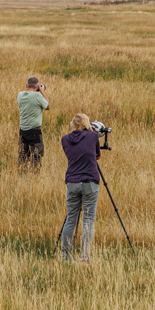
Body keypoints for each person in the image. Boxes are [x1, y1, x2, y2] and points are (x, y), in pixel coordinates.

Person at [59, 113, 102, 263]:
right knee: (88, 220)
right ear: (87, 124)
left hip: (72, 181)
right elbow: (97, 155)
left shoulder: (64, 139)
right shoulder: (93, 136)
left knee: (71, 219)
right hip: (90, 181)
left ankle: (65, 256)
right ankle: (84, 257)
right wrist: (91, 130)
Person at [16, 76, 50, 172]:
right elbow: (47, 106)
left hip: (23, 130)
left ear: (26, 85)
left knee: (23, 156)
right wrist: (42, 92)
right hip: (35, 131)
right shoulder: (38, 96)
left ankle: (22, 174)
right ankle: (34, 177)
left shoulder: (20, 95)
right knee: (36, 157)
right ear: (38, 86)